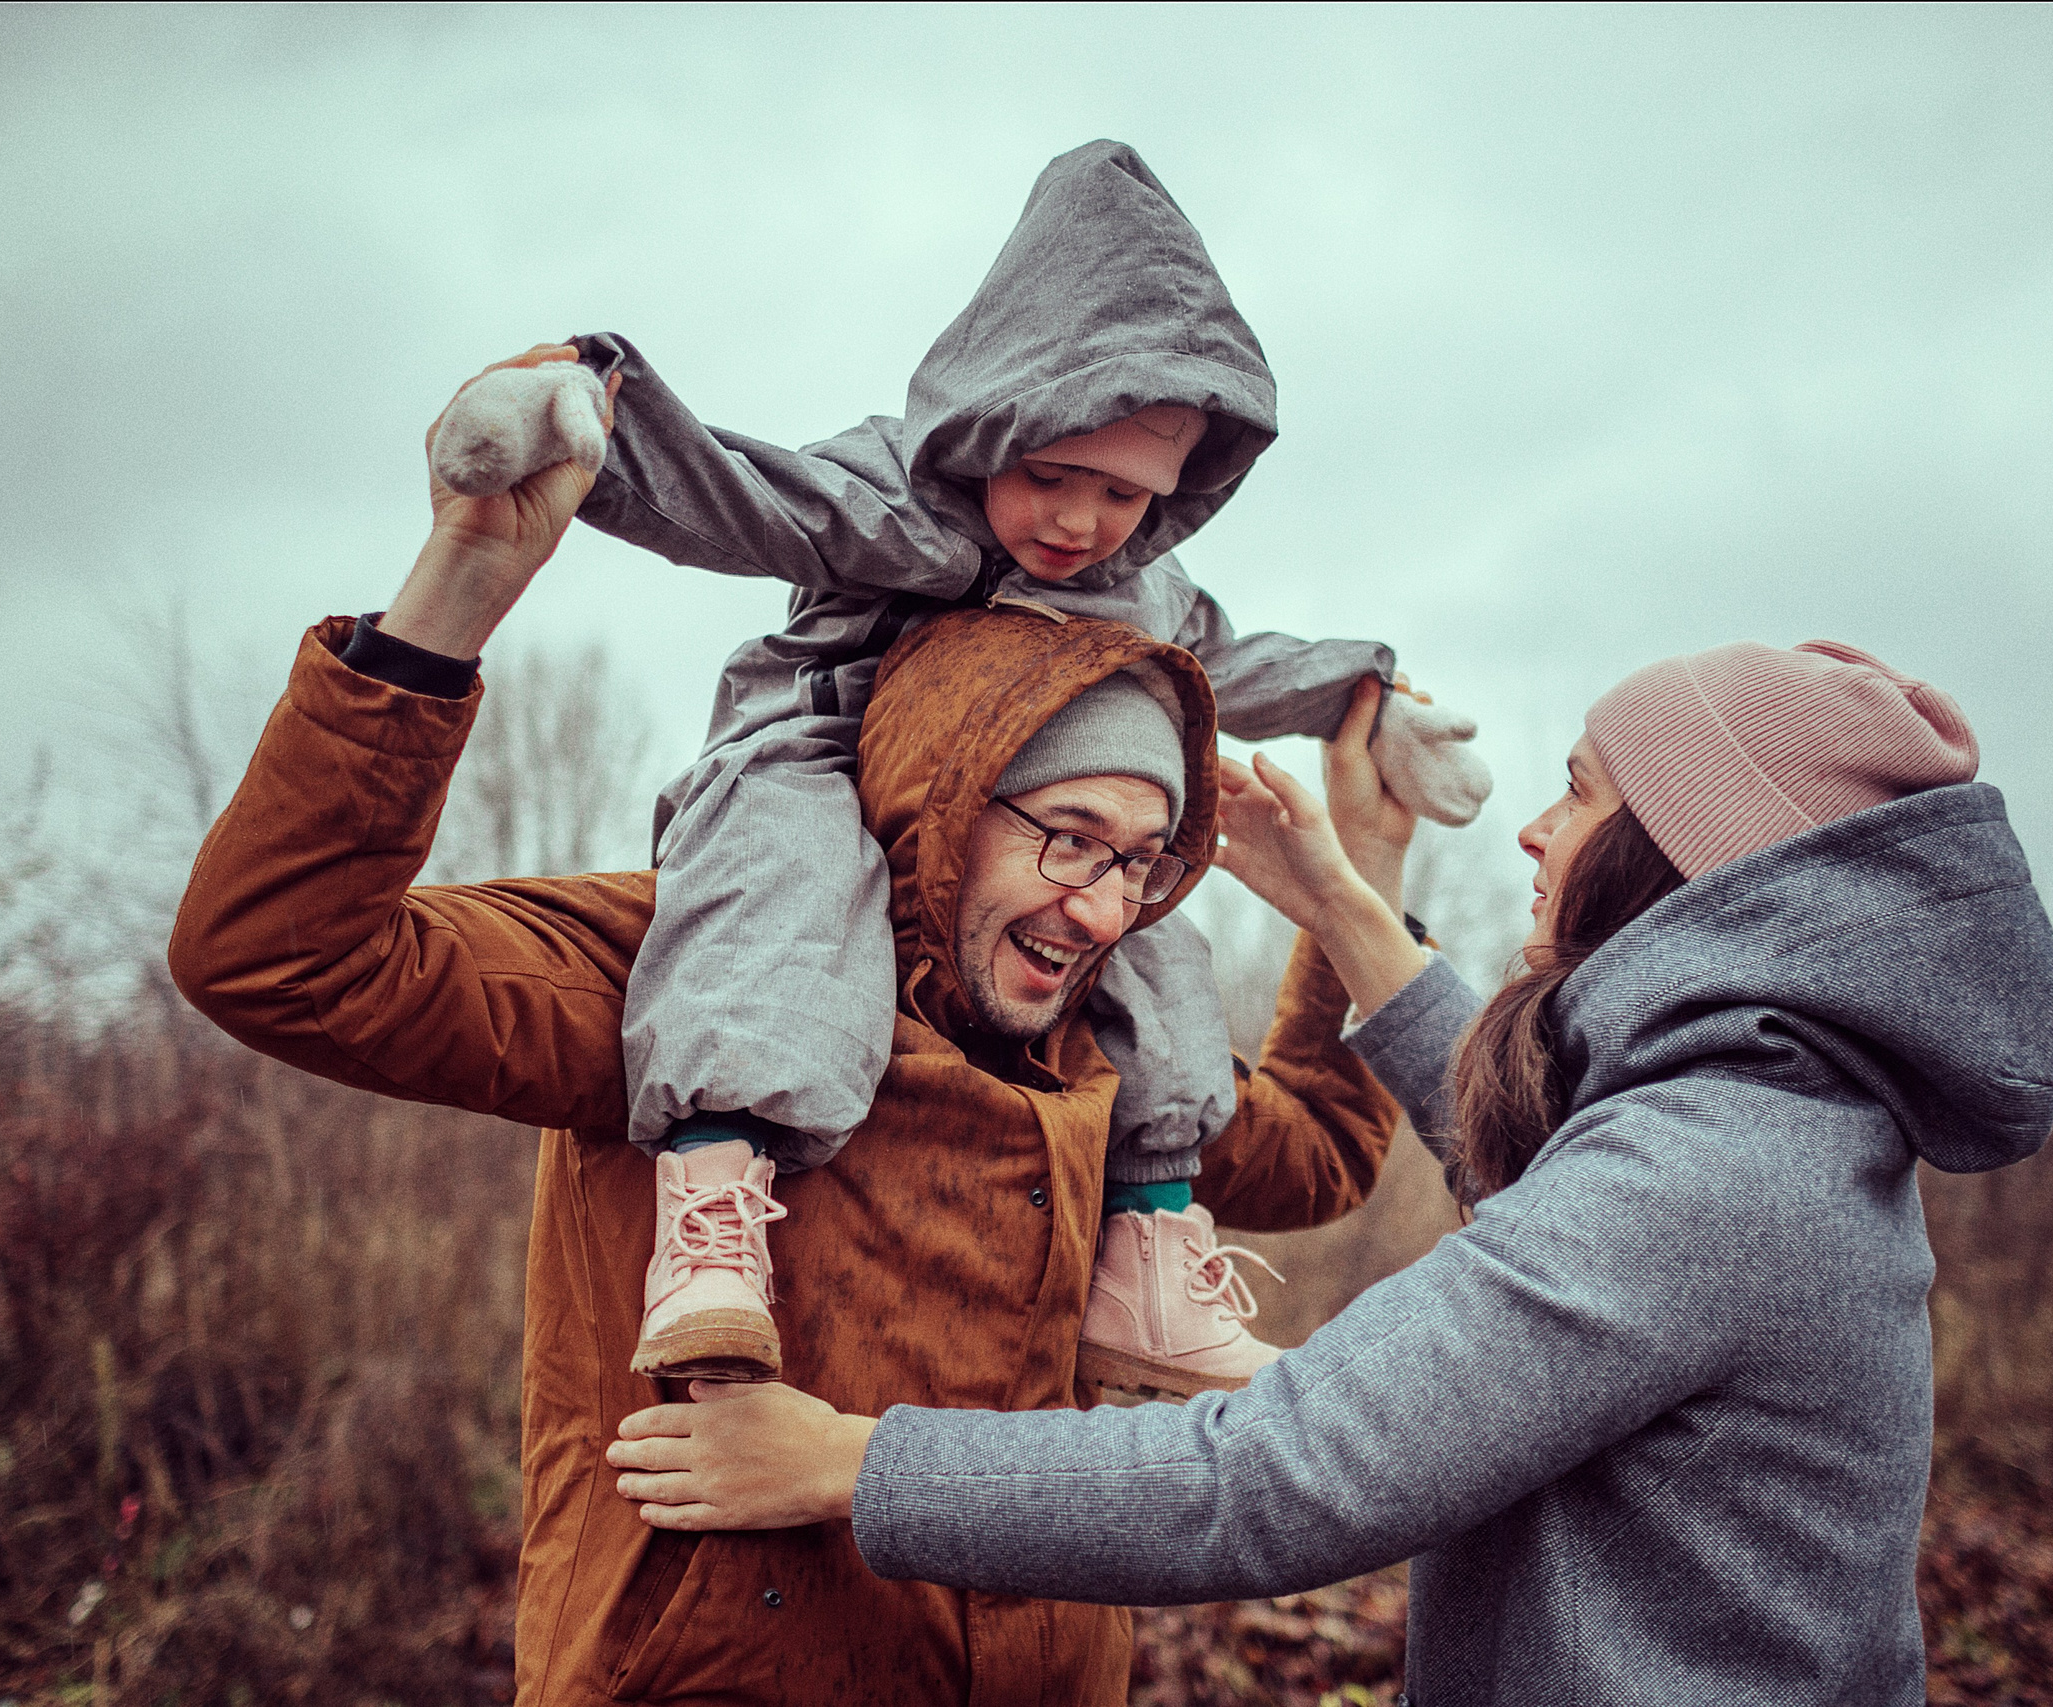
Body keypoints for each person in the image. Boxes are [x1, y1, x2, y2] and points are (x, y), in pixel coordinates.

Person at [164, 347, 1402, 1705]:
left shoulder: (1096, 1041)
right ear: (943, 792)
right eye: (1065, 836)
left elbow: (1316, 1156)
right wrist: (455, 592)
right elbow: (278, 955)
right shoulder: (688, 968)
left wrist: (1367, 879)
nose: (1102, 905)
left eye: (1140, 859)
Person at [606, 639, 2053, 1706]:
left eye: (1576, 795)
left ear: (1684, 860)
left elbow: (1276, 1476)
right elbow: (1558, 1167)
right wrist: (1336, 895)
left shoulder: (1707, 1174)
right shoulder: (1770, 1113)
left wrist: (845, 1460)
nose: (1533, 824)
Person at [422, 138, 1488, 1392]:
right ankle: (714, 1205)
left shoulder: (1134, 583)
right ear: (992, 428)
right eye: (1049, 477)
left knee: (1147, 924)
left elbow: (1225, 656)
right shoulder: (897, 503)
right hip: (819, 755)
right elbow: (745, 495)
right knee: (782, 884)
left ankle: (1146, 1256)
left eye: (1123, 496)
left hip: (1028, 826)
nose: (1079, 525)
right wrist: (585, 422)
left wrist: (1364, 687)